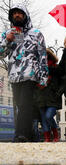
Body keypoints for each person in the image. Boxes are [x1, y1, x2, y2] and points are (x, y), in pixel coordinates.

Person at [0, 4, 48, 142]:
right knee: (20, 106)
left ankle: (20, 134)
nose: (17, 15)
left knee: (25, 104)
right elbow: (1, 54)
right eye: (14, 13)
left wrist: (43, 77)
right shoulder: (7, 34)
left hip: (30, 74)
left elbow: (42, 56)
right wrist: (6, 41)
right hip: (14, 76)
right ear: (11, 17)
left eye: (20, 13)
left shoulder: (36, 33)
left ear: (25, 15)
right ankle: (30, 134)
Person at [34, 49, 62, 142]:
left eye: (46, 56)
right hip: (40, 96)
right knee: (43, 119)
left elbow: (61, 82)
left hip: (52, 97)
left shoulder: (55, 68)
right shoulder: (37, 69)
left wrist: (58, 92)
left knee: (48, 116)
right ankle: (47, 137)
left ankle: (55, 134)